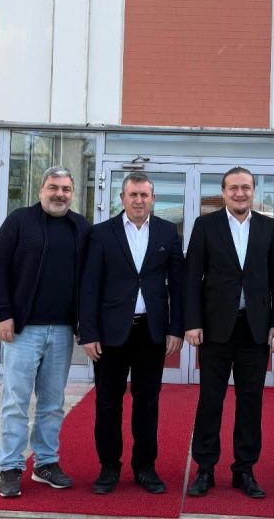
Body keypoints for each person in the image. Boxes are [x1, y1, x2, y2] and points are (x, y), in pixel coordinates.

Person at [184, 167, 274, 499]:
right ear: (223, 192)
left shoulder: (269, 227)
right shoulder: (205, 225)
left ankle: (244, 470)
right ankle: (205, 469)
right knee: (210, 400)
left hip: (255, 329)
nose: (240, 193)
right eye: (233, 188)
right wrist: (192, 322)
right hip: (215, 329)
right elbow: (192, 278)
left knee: (251, 403)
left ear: (254, 191)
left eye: (246, 187)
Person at [0, 167, 91, 499]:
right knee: (15, 402)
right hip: (24, 330)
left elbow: (89, 278)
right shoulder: (20, 221)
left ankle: (45, 463)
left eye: (66, 189)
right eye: (53, 187)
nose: (60, 194)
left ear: (72, 193)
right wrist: (3, 313)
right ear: (41, 189)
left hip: (62, 331)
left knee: (52, 403)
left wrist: (85, 324)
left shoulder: (80, 226)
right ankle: (10, 467)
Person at [78, 172, 184, 495]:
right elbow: (89, 286)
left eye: (144, 195)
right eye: (133, 195)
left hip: (151, 333)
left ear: (153, 199)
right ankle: (109, 467)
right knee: (107, 403)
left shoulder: (167, 232)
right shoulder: (101, 233)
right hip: (110, 334)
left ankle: (145, 467)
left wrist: (176, 328)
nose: (139, 200)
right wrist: (88, 333)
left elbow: (178, 285)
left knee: (147, 403)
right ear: (122, 198)